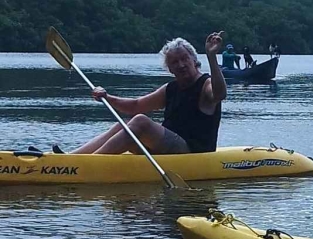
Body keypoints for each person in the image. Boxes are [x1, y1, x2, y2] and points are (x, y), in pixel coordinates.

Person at [72, 33, 229, 155]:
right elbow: (136, 105)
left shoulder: (205, 84)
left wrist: (211, 56)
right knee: (122, 125)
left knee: (140, 121)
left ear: (194, 60)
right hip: (167, 148)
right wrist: (106, 97)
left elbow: (220, 94)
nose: (181, 65)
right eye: (174, 62)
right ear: (170, 69)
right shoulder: (171, 88)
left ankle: (89, 164)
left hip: (192, 151)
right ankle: (70, 158)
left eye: (184, 59)